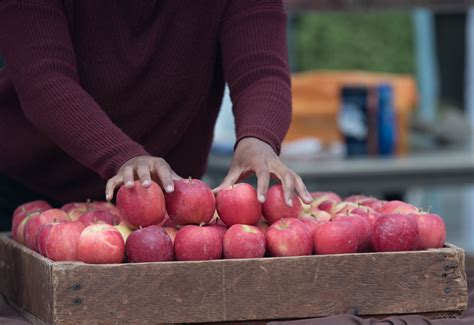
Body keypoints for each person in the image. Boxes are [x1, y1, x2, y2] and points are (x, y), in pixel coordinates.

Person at [0, 0, 313, 230]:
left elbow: (261, 73)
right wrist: (123, 156)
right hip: (26, 190)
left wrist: (257, 138)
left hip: (164, 205)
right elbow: (44, 80)